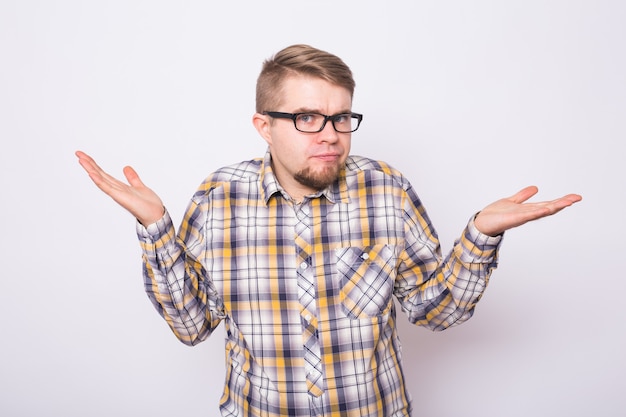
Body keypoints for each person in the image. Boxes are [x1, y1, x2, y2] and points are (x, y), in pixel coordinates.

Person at [76, 44, 581, 417]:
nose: (330, 135)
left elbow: (436, 312)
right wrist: (155, 227)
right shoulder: (218, 197)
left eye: (341, 118)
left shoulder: (386, 188)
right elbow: (191, 327)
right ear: (263, 126)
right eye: (307, 118)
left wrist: (480, 237)